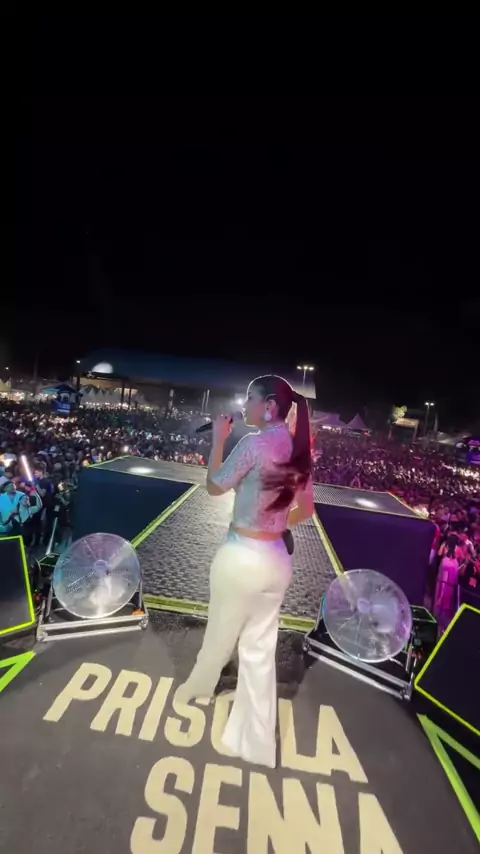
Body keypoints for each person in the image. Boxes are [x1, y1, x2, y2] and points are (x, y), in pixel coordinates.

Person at [177, 375, 314, 768]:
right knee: (259, 650)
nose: (244, 405)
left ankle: (198, 688)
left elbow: (215, 486)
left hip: (241, 555)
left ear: (269, 406)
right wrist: (277, 524)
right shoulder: (299, 450)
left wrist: (218, 440)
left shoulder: (254, 444)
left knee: (220, 631)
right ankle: (257, 742)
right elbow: (306, 509)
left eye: (250, 398)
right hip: (276, 559)